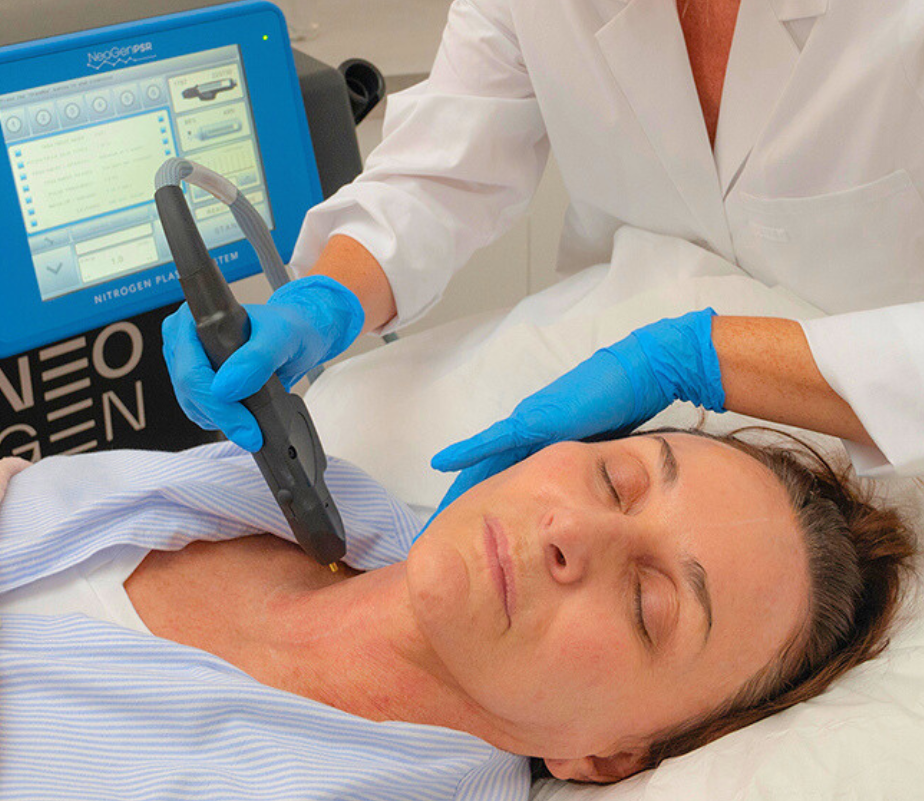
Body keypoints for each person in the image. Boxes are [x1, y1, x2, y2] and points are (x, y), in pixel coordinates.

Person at [0, 423, 915, 801]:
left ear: (606, 757)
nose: (571, 531)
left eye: (648, 602)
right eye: (618, 481)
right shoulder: (301, 486)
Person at [163, 0, 924, 505]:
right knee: (352, 435)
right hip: (608, 362)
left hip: (882, 429)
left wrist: (703, 359)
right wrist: (324, 299)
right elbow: (444, 171)